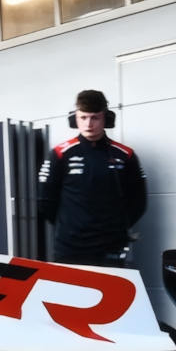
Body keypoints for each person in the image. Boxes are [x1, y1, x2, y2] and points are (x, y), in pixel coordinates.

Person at [38, 90, 148, 266]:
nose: (89, 124)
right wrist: (71, 226)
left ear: (106, 118)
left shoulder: (125, 155)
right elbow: (46, 202)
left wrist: (117, 227)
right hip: (70, 248)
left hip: (112, 247)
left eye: (95, 118)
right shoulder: (60, 154)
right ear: (75, 119)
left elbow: (139, 201)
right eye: (83, 118)